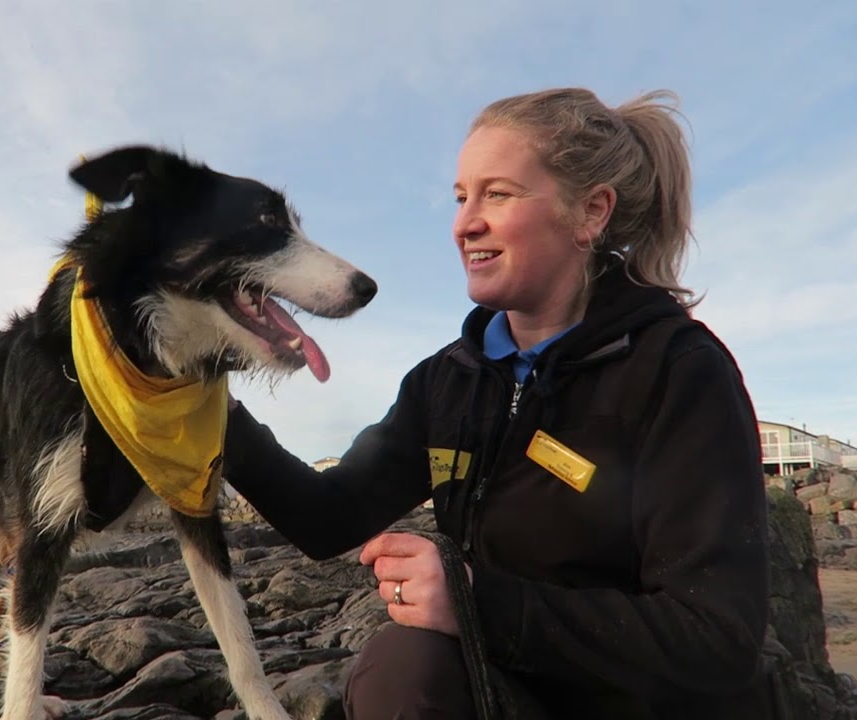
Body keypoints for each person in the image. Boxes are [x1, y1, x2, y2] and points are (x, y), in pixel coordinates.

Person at [222, 87, 772, 719]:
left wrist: (475, 602)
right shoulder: (449, 381)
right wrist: (205, 411)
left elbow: (717, 639)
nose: (465, 224)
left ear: (590, 212)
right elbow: (328, 518)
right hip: (512, 693)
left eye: (498, 194)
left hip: (647, 706)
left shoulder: (678, 371)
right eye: (461, 197)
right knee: (403, 665)